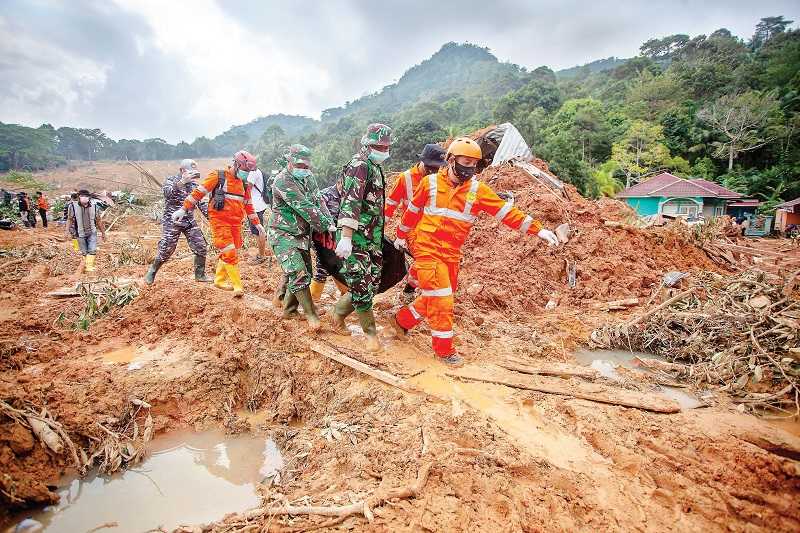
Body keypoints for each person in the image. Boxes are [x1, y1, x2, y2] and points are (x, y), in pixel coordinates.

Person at [390, 137, 560, 365]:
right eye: (465, 161)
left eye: (473, 163)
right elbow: (412, 211)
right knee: (442, 300)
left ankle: (402, 321)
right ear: (450, 160)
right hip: (426, 248)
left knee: (437, 296)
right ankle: (444, 351)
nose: (469, 167)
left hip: (451, 253)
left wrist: (538, 230)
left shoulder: (477, 191)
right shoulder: (429, 183)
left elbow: (505, 212)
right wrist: (401, 236)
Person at [331, 123, 392, 352]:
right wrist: (346, 238)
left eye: (386, 146)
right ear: (367, 144)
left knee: (372, 283)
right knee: (361, 284)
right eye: (379, 145)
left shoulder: (375, 167)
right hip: (354, 238)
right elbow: (350, 202)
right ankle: (371, 336)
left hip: (371, 238)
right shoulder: (360, 165)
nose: (383, 150)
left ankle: (337, 313)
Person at [172, 150, 263, 297]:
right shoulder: (218, 176)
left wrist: (256, 223)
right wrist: (183, 209)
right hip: (219, 221)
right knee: (229, 251)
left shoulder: (244, 184)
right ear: (237, 164)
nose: (248, 174)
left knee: (232, 250)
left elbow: (248, 204)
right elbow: (198, 193)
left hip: (236, 223)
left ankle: (219, 280)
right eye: (246, 170)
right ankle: (237, 286)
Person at [268, 144, 336, 329]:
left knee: (305, 272)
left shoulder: (309, 177)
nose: (303, 169)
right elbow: (304, 206)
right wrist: (323, 225)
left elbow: (318, 200)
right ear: (290, 162)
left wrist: (329, 223)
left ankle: (289, 311)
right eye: (299, 166)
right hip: (282, 233)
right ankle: (311, 314)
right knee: (298, 272)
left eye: (306, 166)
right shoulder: (282, 181)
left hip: (301, 235)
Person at [385, 143, 447, 302]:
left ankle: (410, 288)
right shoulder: (405, 179)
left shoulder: (441, 178)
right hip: (413, 229)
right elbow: (390, 206)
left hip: (435, 227)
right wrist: (378, 229)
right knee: (424, 259)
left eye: (437, 168)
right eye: (430, 168)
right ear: (422, 162)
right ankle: (421, 295)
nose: (434, 171)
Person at [144, 159, 212, 285]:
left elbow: (201, 204)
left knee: (201, 246)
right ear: (182, 170)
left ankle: (200, 275)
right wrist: (181, 182)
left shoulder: (193, 186)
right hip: (172, 221)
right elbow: (168, 194)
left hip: (189, 221)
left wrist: (212, 217)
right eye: (190, 172)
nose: (193, 175)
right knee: (166, 249)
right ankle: (152, 270)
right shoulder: (170, 181)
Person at [67, 189, 107, 273]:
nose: (84, 198)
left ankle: (89, 267)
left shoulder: (94, 206)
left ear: (89, 197)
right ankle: (85, 266)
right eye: (82, 196)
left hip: (92, 232)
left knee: (92, 250)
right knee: (84, 252)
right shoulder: (72, 206)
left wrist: (103, 233)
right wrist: (67, 231)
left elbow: (98, 220)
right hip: (80, 233)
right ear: (78, 197)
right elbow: (70, 219)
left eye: (86, 196)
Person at [246, 167, 271, 264]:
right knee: (258, 230)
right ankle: (261, 254)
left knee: (258, 231)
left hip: (255, 206)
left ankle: (261, 256)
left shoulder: (252, 172)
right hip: (260, 204)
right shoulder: (257, 170)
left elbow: (247, 188)